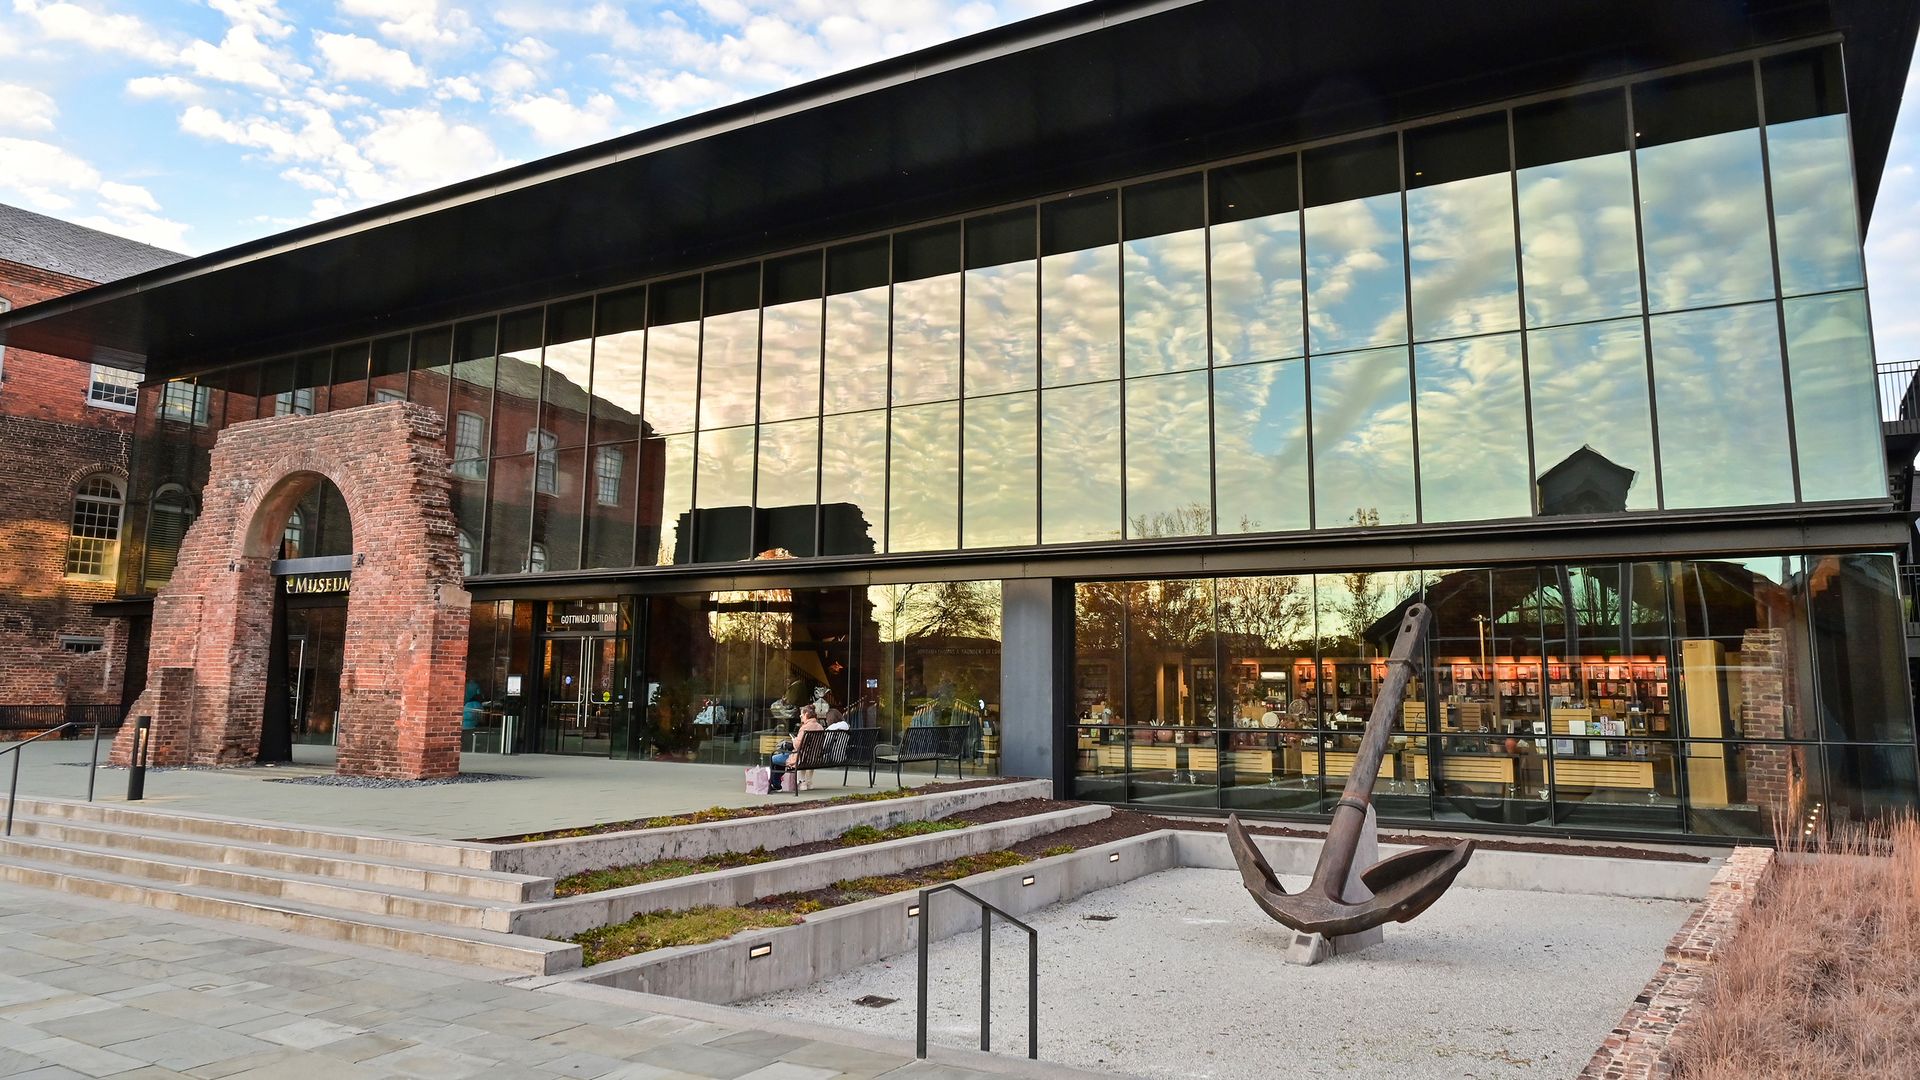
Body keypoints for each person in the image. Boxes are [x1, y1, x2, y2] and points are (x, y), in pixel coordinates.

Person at [768, 705, 824, 792]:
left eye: (801, 715)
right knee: (781, 757)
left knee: (774, 758)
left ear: (806, 714)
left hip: (800, 758)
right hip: (814, 759)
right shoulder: (820, 727)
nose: (800, 716)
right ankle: (776, 784)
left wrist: (794, 740)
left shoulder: (805, 727)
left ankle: (776, 785)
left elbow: (797, 745)